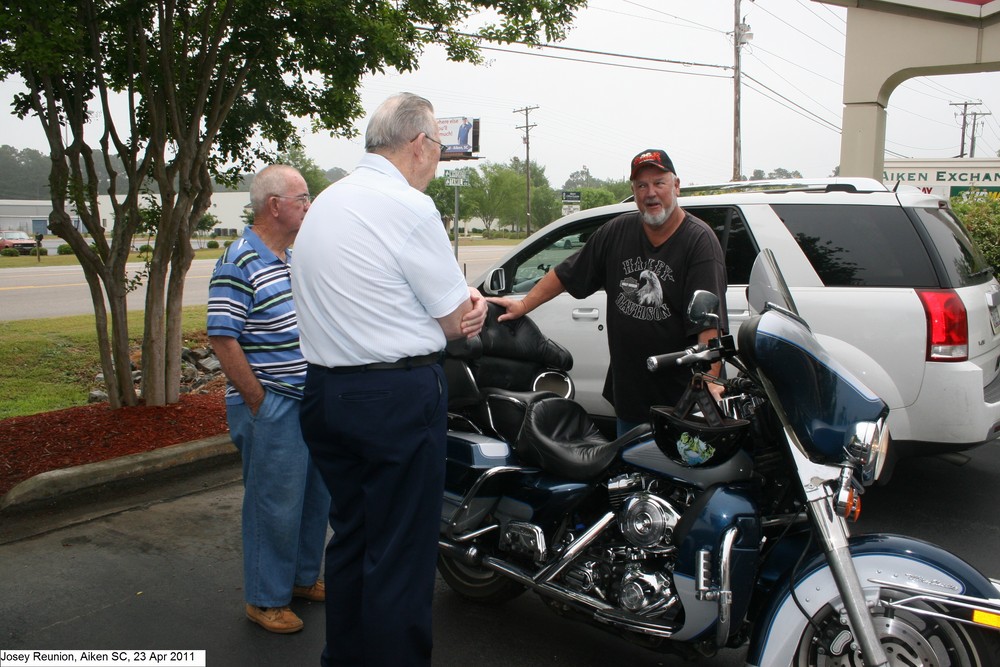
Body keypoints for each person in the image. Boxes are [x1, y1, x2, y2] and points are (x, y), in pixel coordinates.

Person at [291, 92, 488, 667]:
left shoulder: (328, 200)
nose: (437, 162)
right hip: (392, 398)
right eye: (438, 150)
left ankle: (344, 658)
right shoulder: (407, 207)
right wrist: (471, 308)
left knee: (353, 537)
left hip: (325, 394)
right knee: (400, 553)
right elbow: (454, 318)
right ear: (420, 144)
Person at [490, 148, 728, 436]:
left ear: (676, 186)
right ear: (634, 190)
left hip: (680, 401)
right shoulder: (616, 232)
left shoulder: (699, 241)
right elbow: (567, 273)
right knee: (630, 473)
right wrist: (524, 305)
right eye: (641, 185)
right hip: (630, 395)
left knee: (680, 477)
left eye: (659, 183)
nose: (650, 193)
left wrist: (708, 384)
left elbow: (708, 324)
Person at [207, 164, 331, 634]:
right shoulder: (240, 260)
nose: (309, 205)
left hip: (306, 400)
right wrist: (257, 400)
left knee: (312, 498)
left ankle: (300, 580)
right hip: (272, 404)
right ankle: (265, 599)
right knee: (273, 504)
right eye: (302, 197)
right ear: (274, 205)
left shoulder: (290, 258)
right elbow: (222, 337)